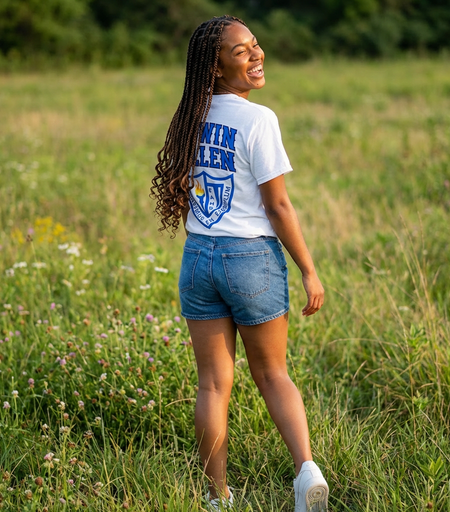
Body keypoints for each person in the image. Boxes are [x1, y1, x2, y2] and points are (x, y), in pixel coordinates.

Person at [151, 15, 329, 512]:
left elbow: (189, 189)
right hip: (250, 257)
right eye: (240, 51)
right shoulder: (258, 120)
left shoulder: (190, 115)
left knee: (211, 383)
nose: (256, 55)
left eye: (255, 45)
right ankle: (306, 473)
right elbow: (278, 207)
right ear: (215, 66)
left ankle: (217, 497)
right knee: (273, 375)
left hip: (198, 257)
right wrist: (309, 269)